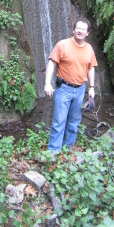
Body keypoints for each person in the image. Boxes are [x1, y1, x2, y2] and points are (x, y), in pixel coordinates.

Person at [44, 18, 98, 152]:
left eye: (83, 29)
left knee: (74, 122)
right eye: (78, 28)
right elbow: (52, 63)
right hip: (63, 89)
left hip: (80, 90)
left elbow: (91, 68)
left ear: (87, 33)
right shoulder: (62, 45)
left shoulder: (89, 49)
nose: (80, 31)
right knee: (59, 122)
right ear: (73, 30)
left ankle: (67, 149)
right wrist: (47, 83)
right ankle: (53, 153)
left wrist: (92, 87)